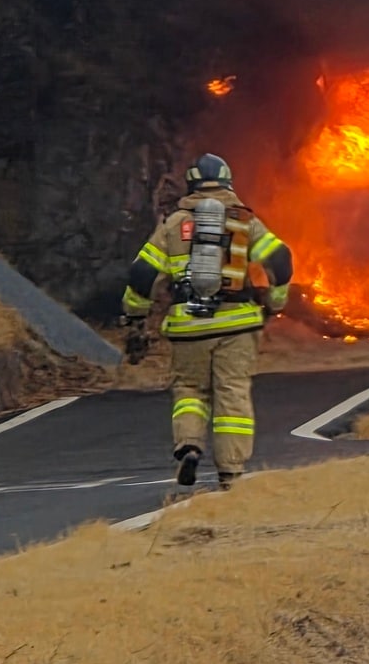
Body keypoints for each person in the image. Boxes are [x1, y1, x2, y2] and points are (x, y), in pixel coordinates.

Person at [120, 154, 292, 490]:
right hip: (237, 326)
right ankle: (231, 474)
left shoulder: (173, 225)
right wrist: (276, 302)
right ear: (228, 183)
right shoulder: (244, 222)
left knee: (190, 390)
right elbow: (280, 260)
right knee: (232, 393)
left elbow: (142, 273)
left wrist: (136, 316)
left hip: (188, 328)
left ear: (192, 186)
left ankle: (189, 446)